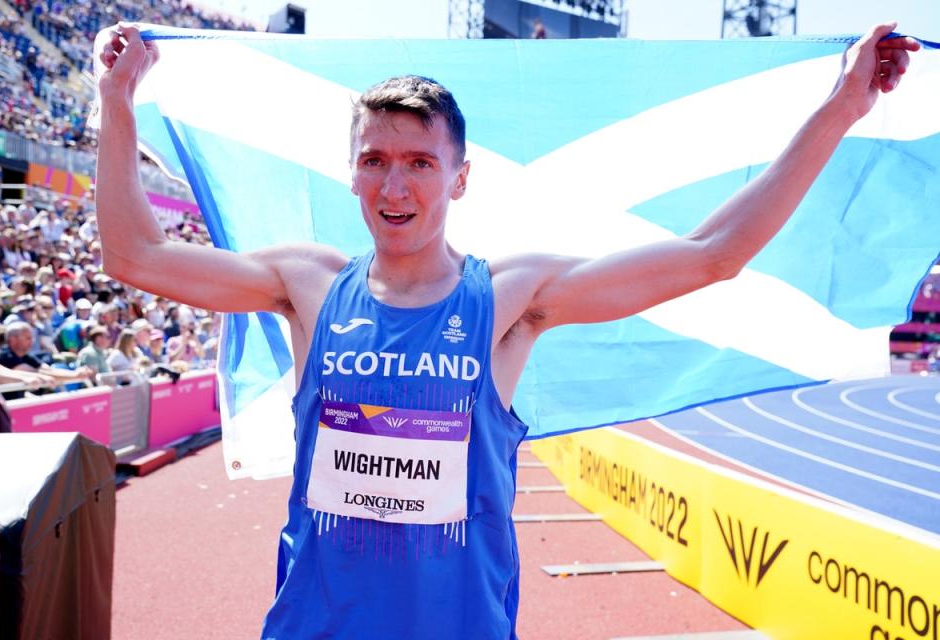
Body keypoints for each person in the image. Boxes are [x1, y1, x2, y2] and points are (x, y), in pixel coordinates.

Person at [94, 22, 919, 639]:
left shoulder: (511, 296)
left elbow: (712, 254)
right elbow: (135, 254)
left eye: (419, 162)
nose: (395, 182)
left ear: (460, 176)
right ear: (351, 172)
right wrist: (116, 102)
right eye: (375, 158)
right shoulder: (307, 284)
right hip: (318, 622)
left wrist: (842, 108)